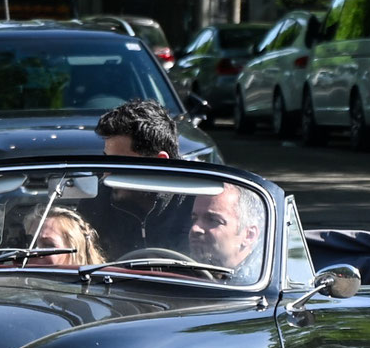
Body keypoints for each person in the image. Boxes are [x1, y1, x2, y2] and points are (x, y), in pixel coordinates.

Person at [92, 98, 192, 255]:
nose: (105, 174)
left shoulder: (197, 203)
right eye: (106, 160)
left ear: (159, 162)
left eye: (117, 164)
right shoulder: (97, 200)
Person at [187, 184, 265, 285]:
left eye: (213, 220)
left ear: (249, 235)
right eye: (194, 219)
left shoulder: (255, 283)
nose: (195, 228)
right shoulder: (178, 273)